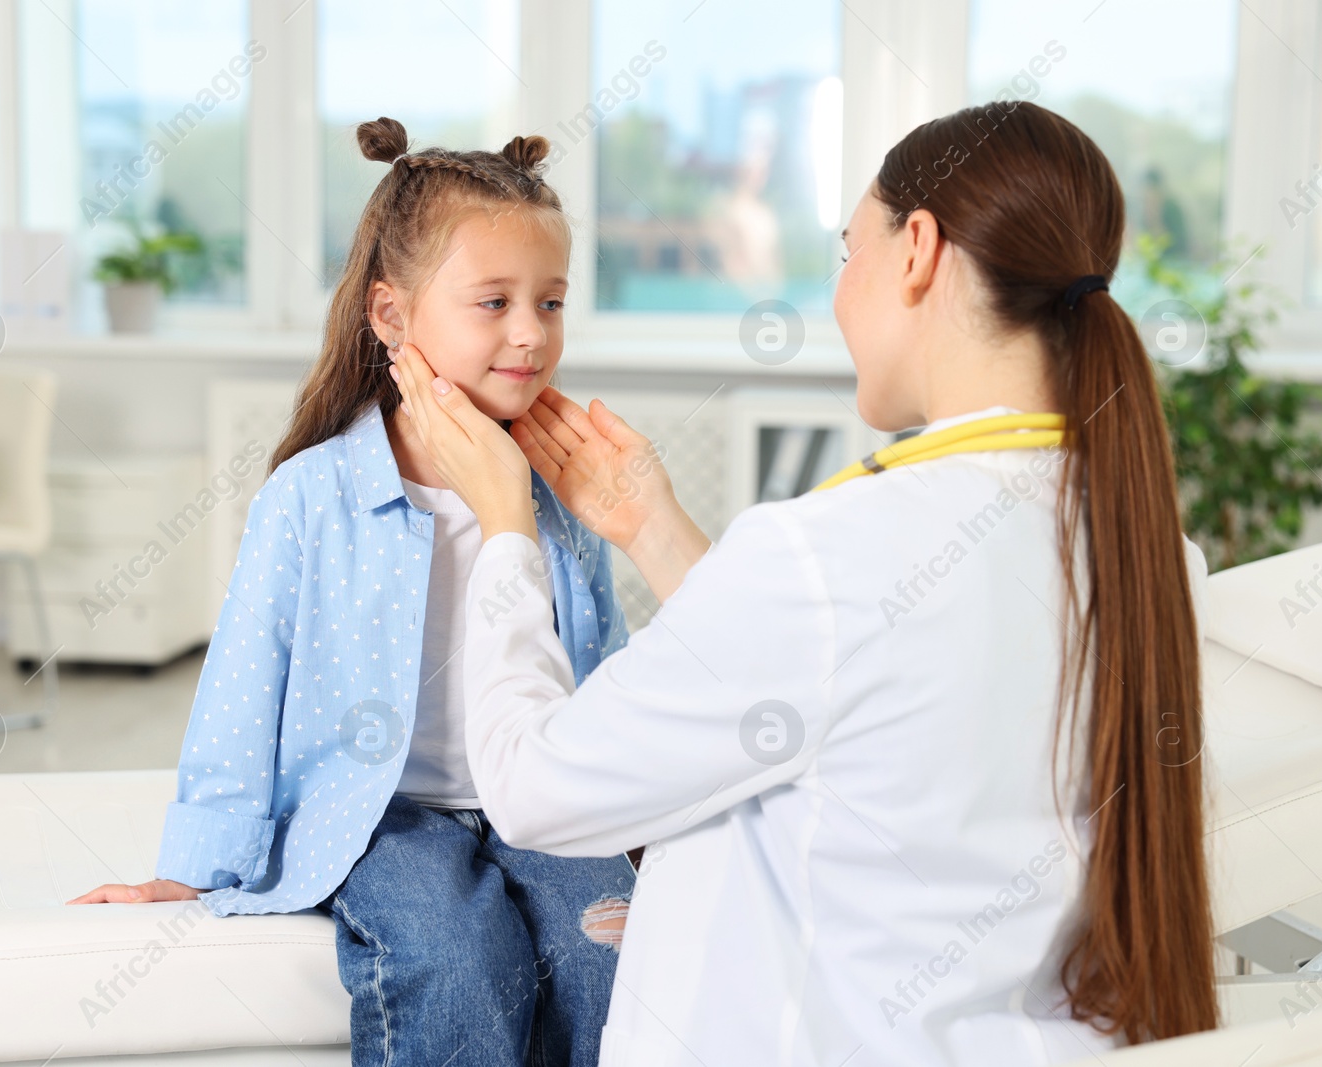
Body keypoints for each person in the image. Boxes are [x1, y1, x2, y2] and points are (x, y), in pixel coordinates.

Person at [386, 100, 1217, 1066]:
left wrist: (504, 530)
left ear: (917, 249)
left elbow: (534, 787)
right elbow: (838, 690)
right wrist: (654, 528)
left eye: (846, 252)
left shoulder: (840, 549)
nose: (839, 291)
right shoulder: (1149, 552)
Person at [69, 117, 636, 1067]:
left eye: (551, 301)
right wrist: (192, 871)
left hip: (534, 802)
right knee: (461, 964)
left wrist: (645, 827)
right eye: (492, 302)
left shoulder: (563, 492)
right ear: (391, 316)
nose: (531, 335)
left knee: (608, 954)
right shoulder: (313, 496)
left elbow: (604, 665)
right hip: (382, 815)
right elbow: (242, 693)